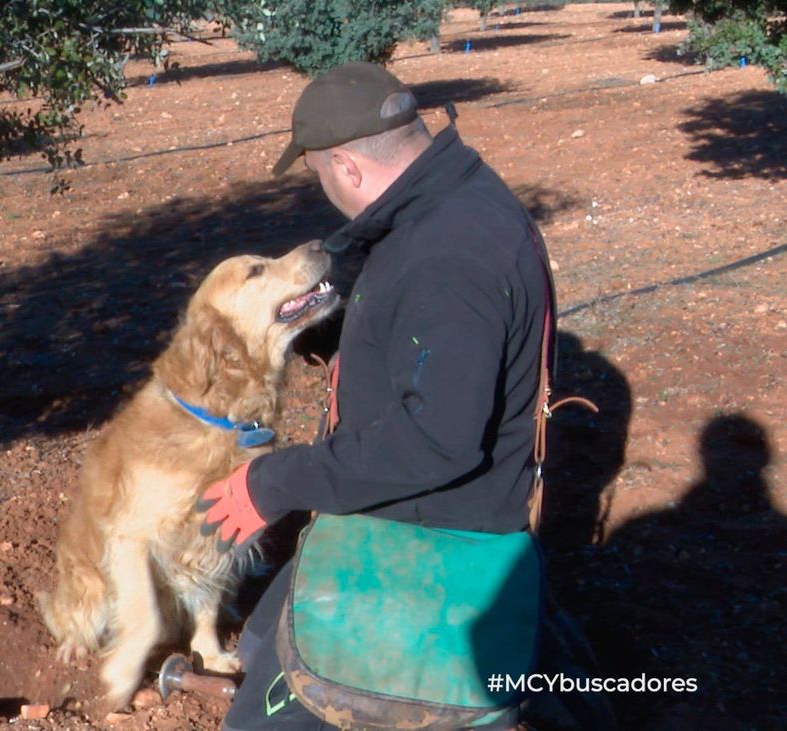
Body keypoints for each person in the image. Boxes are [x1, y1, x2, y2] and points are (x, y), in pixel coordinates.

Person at [198, 62, 554, 730]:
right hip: (414, 506)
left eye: (320, 175)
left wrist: (275, 481)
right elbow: (430, 340)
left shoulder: (449, 255)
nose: (326, 191)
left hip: (430, 545)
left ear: (348, 167)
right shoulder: (453, 200)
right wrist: (327, 330)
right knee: (257, 639)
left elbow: (436, 440)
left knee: (261, 719)